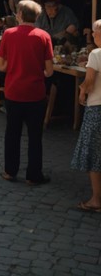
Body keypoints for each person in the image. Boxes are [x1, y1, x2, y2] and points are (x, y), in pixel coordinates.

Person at [0, 0, 53, 185]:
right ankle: (34, 174)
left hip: (14, 91)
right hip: (35, 92)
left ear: (19, 14)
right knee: (35, 136)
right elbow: (49, 71)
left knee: (12, 133)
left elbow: (1, 65)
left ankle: (10, 170)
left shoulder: (9, 34)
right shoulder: (44, 36)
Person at [72, 19, 101, 211]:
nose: (92, 35)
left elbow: (90, 81)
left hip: (97, 108)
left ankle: (96, 199)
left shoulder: (96, 54)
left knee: (94, 154)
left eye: (94, 32)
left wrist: (82, 92)